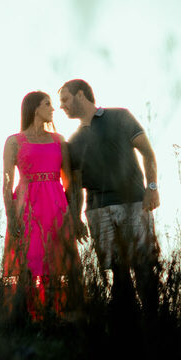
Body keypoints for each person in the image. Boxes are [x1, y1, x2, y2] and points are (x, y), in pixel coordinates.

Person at [59, 79, 161, 319]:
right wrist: (75, 218)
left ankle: (155, 323)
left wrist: (152, 187)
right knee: (118, 273)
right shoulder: (73, 142)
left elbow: (148, 153)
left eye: (65, 99)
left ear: (80, 95)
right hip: (97, 211)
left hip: (134, 204)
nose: (61, 106)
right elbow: (74, 187)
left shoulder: (120, 117)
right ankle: (125, 328)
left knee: (145, 266)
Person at [1, 91, 86, 321]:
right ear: (34, 108)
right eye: (47, 104)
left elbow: (70, 181)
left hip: (57, 206)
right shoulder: (14, 141)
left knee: (58, 261)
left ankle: (61, 314)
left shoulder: (59, 140)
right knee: (30, 259)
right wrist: (11, 216)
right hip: (26, 207)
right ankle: (31, 316)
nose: (52, 108)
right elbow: (7, 182)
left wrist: (76, 216)